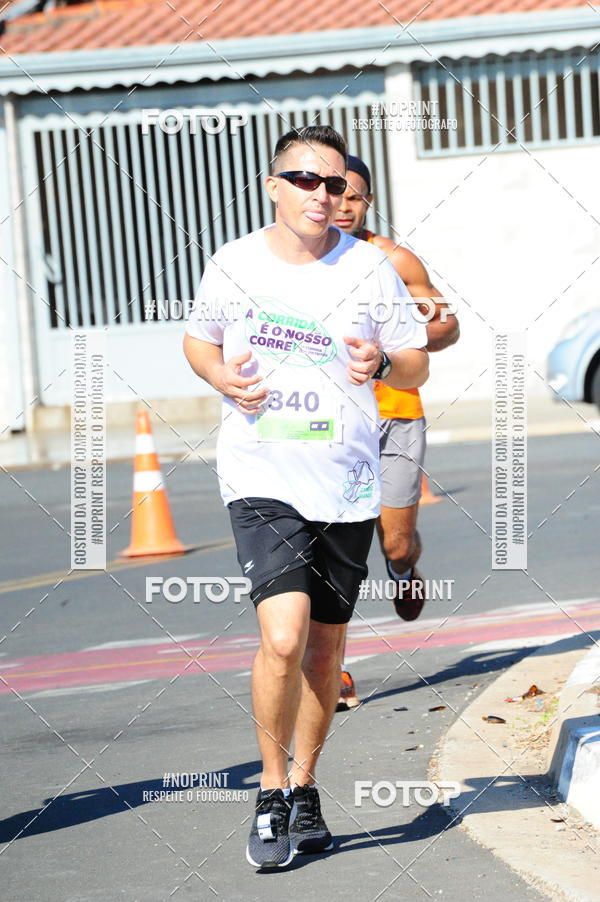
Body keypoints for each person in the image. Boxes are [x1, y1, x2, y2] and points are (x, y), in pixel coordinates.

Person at [183, 126, 429, 870]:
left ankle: (305, 785)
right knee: (283, 637)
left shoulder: (371, 268)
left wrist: (384, 358)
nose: (321, 194)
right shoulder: (234, 263)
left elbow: (415, 365)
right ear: (273, 186)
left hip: (348, 481)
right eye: (304, 180)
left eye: (332, 183)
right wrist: (221, 378)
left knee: (324, 647)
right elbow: (200, 340)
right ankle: (267, 789)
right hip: (262, 473)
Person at [334, 155, 459, 710]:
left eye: (353, 195)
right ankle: (331, 669)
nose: (339, 204)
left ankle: (404, 565)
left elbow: (446, 323)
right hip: (324, 422)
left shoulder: (390, 258)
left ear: (367, 203)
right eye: (331, 190)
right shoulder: (284, 262)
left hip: (395, 413)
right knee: (334, 550)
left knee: (394, 541)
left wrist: (404, 334)